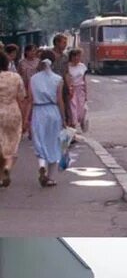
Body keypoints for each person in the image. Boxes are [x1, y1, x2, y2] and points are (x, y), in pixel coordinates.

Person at [28, 50, 68, 186]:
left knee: (39, 141)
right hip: (53, 111)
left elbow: (30, 99)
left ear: (40, 59)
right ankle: (50, 177)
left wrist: (26, 118)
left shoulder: (33, 79)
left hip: (38, 111)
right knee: (53, 143)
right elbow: (60, 100)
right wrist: (63, 119)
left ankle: (41, 165)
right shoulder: (58, 79)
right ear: (53, 61)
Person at [0, 50, 27, 188]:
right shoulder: (15, 77)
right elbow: (22, 98)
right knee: (12, 143)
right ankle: (8, 166)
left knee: (1, 144)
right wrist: (25, 117)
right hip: (12, 112)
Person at [65, 48, 88, 131]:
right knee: (72, 109)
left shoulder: (82, 66)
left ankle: (81, 121)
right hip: (72, 90)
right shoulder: (67, 66)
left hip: (80, 90)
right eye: (74, 56)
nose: (76, 58)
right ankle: (73, 128)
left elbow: (84, 80)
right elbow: (67, 78)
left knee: (81, 109)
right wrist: (69, 88)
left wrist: (86, 93)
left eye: (78, 56)